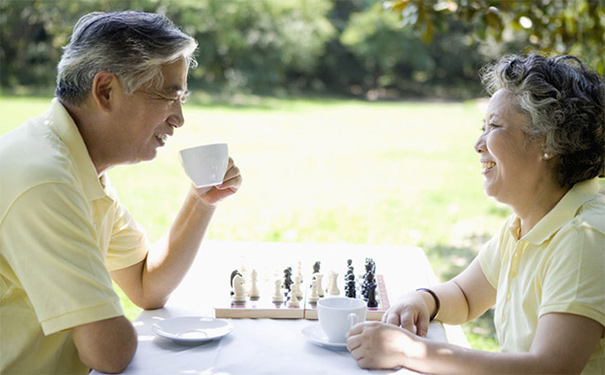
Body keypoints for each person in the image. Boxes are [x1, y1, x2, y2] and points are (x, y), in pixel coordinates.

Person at [0, 11, 241, 374]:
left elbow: (146, 284)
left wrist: (201, 198)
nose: (179, 118)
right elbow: (108, 353)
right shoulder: (45, 180)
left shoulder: (74, 162)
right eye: (168, 95)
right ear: (105, 91)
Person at [347, 54, 604, 374]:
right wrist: (422, 300)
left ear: (547, 143)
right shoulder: (526, 223)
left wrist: (408, 351)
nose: (477, 144)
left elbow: (550, 369)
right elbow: (466, 296)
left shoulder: (584, 237)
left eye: (494, 126)